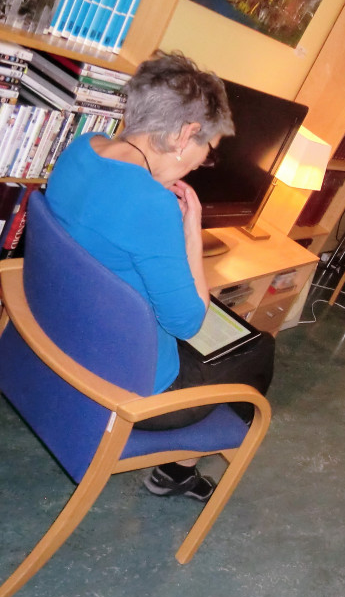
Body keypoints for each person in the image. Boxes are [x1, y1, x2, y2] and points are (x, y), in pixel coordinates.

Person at [45, 51, 275, 503]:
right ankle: (177, 470)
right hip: (132, 384)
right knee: (259, 349)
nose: (199, 163)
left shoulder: (82, 149)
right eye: (207, 151)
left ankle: (179, 466)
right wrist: (191, 231)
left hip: (67, 334)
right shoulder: (152, 205)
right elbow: (188, 322)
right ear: (185, 135)